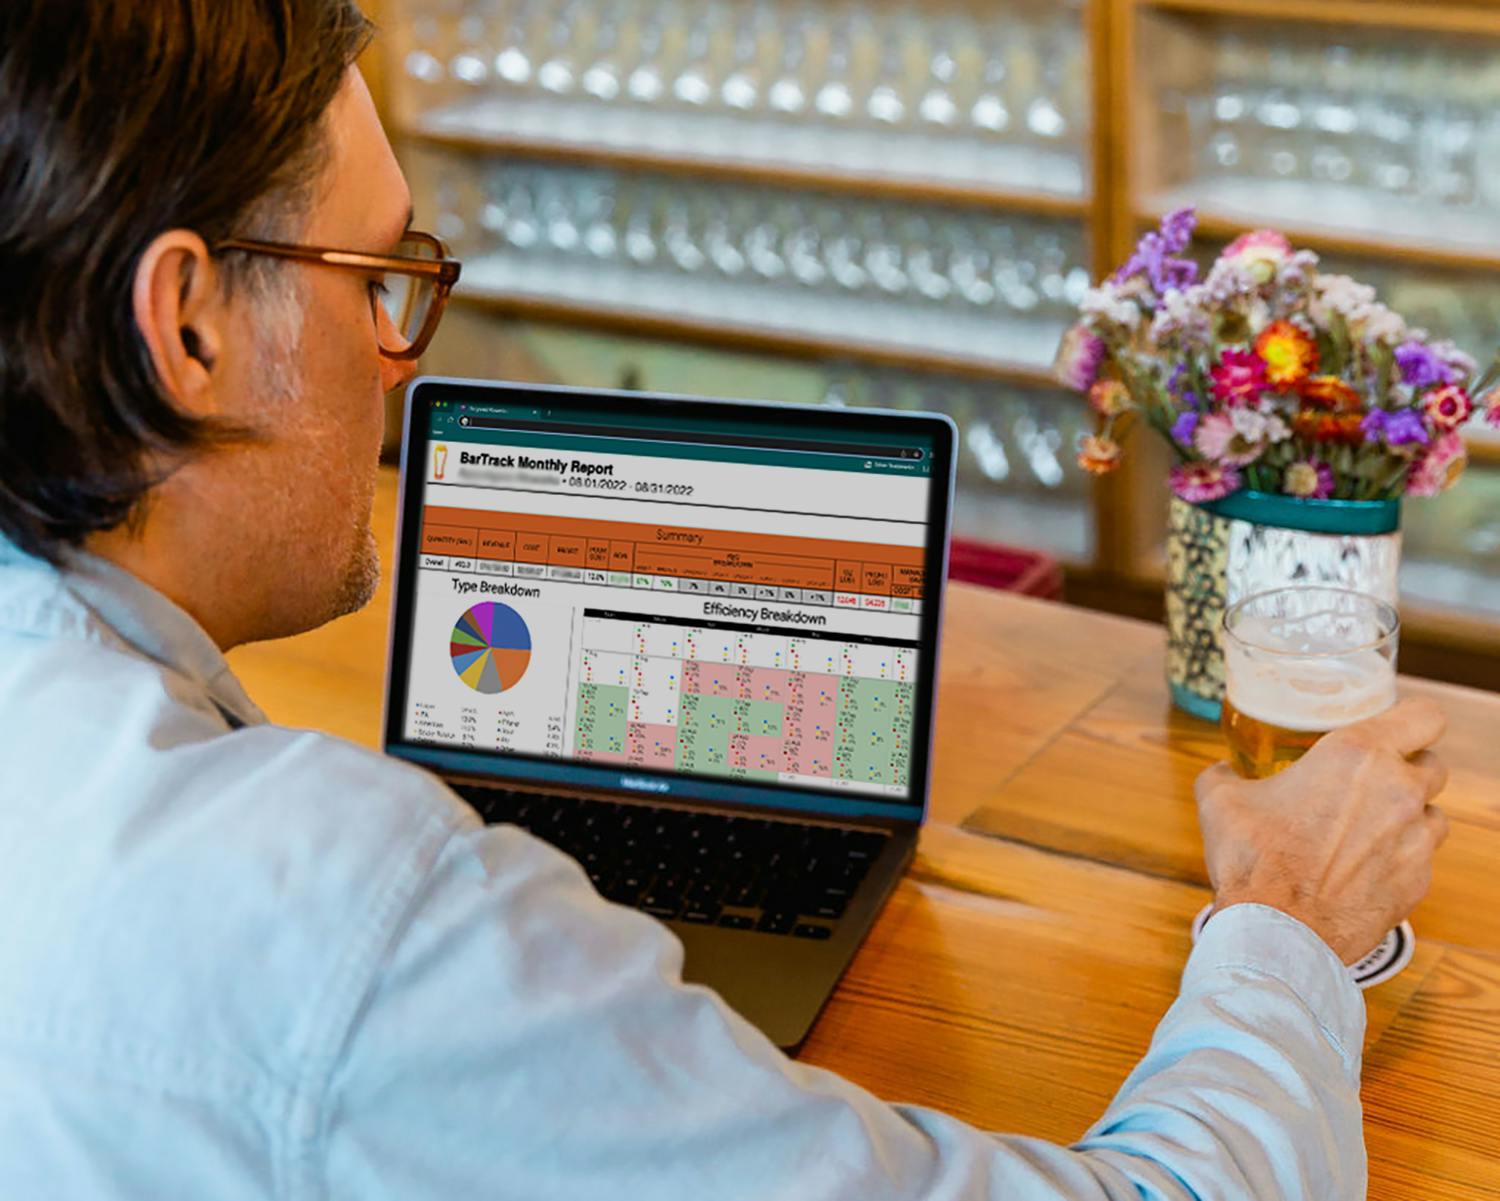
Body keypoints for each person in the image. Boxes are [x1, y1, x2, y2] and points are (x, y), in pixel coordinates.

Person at [0, 4, 1450, 1198]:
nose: (397, 358)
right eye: (378, 275)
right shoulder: (365, 920)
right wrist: (1287, 921)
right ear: (185, 325)